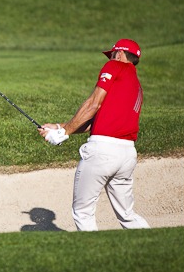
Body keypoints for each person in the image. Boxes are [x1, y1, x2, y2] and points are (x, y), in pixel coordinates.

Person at [38, 39, 150, 231]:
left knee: (83, 212)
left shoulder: (114, 66)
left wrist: (63, 133)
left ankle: (95, 257)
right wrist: (59, 126)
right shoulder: (136, 85)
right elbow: (94, 122)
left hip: (102, 152)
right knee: (127, 215)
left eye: (113, 54)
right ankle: (155, 250)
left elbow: (93, 104)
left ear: (120, 54)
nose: (111, 58)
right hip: (127, 155)